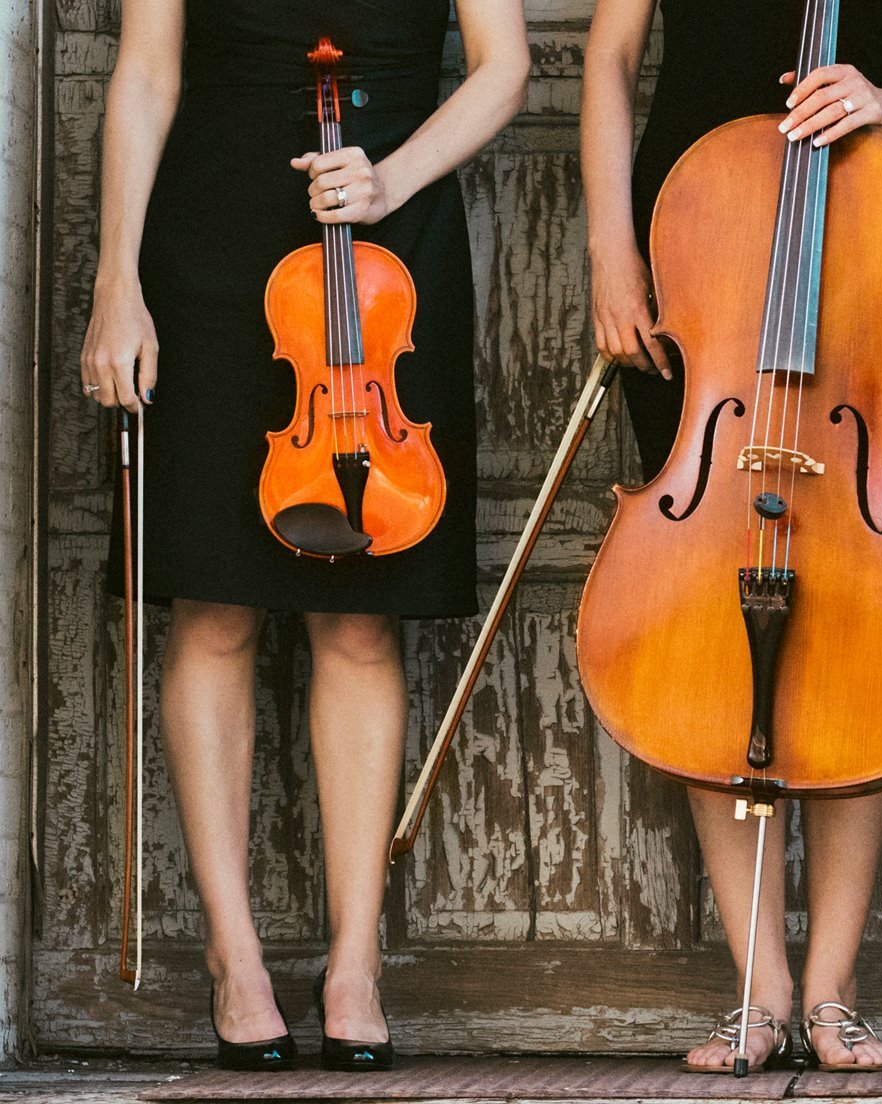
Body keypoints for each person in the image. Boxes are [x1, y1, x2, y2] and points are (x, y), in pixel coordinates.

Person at [79, 0, 526, 1072]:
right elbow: (146, 74)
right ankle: (234, 958)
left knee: (360, 621)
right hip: (210, 241)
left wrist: (393, 180)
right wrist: (115, 281)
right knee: (214, 608)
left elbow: (502, 67)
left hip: (385, 249)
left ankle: (354, 964)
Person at [579, 0, 882, 1072]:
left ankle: (831, 991)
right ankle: (758, 990)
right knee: (703, 623)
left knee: (860, 629)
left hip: (861, 244)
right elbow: (611, 58)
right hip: (697, 241)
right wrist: (612, 251)